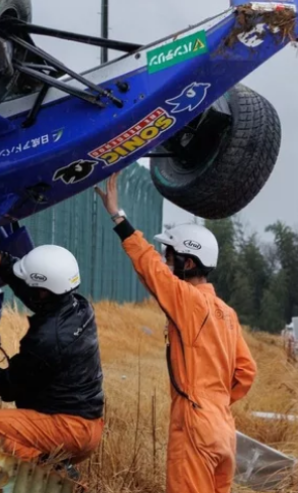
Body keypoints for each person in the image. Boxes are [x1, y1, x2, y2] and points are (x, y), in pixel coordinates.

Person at [95, 172, 257, 493]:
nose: (167, 263)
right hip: (223, 428)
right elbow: (246, 373)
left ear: (188, 261)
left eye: (170, 256)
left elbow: (151, 271)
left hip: (195, 425)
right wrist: (215, 402)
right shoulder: (226, 312)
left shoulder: (190, 302)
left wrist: (118, 217)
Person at [0, 244, 105, 469]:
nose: (27, 287)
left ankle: (50, 469)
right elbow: (32, 285)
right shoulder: (79, 307)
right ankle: (50, 461)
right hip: (89, 427)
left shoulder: (47, 339)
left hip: (67, 430)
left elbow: (9, 387)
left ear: (43, 290)